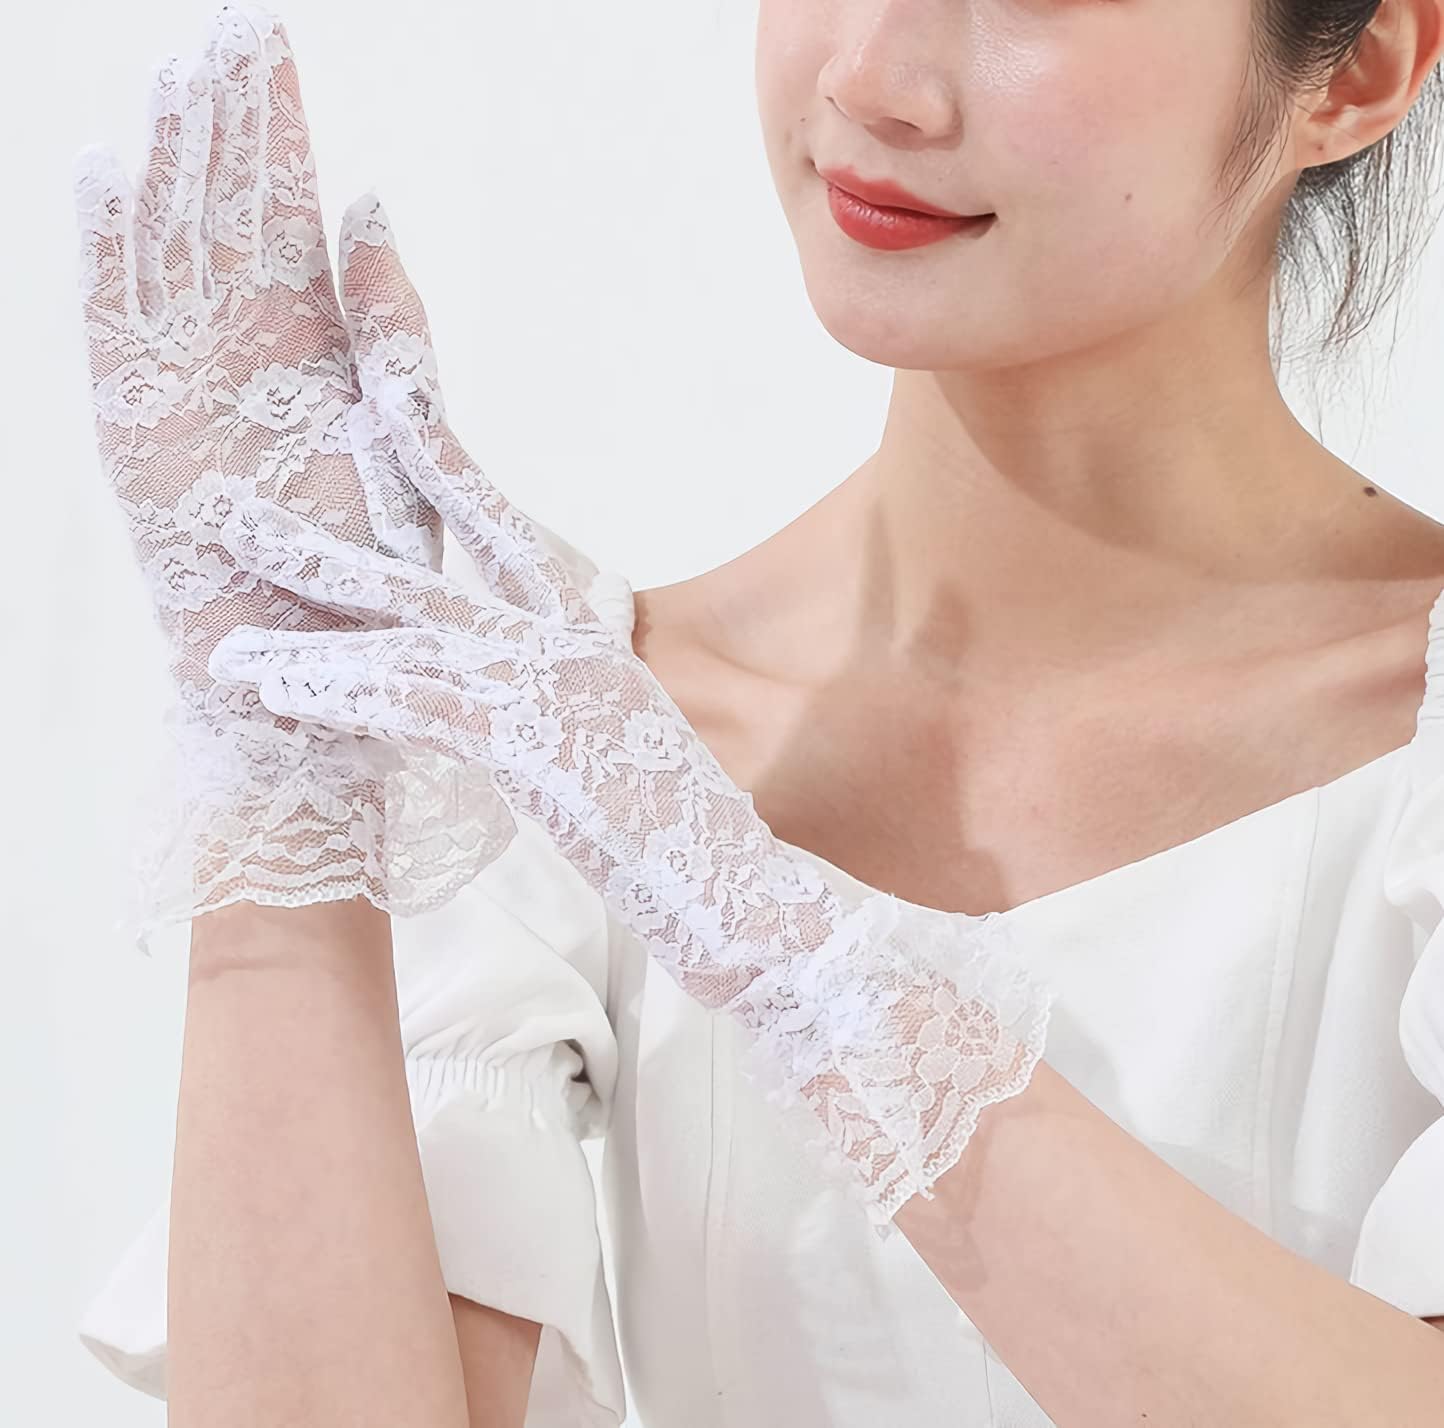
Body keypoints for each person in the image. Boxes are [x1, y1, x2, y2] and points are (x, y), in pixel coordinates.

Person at [75, 1, 1444, 1424]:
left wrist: (805, 966)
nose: (869, 77)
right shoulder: (576, 740)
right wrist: (288, 774)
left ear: (1358, 69)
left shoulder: (633, 792)